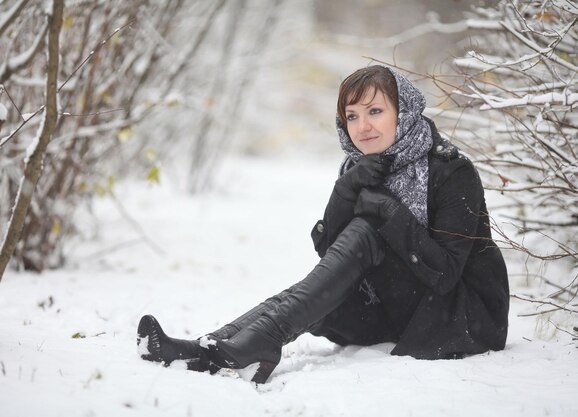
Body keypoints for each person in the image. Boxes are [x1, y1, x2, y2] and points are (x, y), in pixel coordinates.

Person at [136, 65, 510, 384]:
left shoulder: (451, 170)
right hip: (395, 309)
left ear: (404, 111)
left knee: (366, 231)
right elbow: (335, 259)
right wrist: (346, 189)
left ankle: (258, 343)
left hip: (457, 316)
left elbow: (446, 274)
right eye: (351, 116)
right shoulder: (359, 167)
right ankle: (210, 348)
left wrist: (387, 211)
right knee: (316, 289)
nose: (362, 127)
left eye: (375, 111)